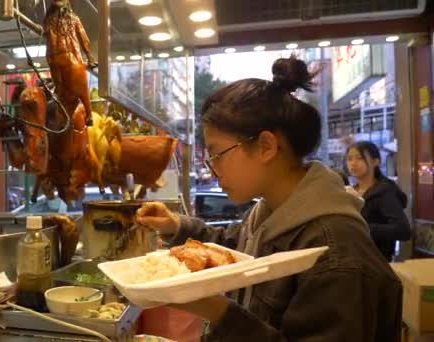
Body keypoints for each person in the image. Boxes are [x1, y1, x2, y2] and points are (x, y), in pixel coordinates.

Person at [136, 57, 402, 341]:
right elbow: (230, 246)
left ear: (265, 146)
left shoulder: (336, 250)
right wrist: (174, 225)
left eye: (216, 155)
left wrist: (219, 312)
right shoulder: (269, 213)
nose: (212, 170)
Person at [346, 141, 411, 261]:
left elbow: (403, 230)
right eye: (349, 159)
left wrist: (363, 228)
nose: (353, 163)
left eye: (359, 158)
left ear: (376, 162)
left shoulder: (384, 191)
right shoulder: (351, 191)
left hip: (377, 263)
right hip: (355, 260)